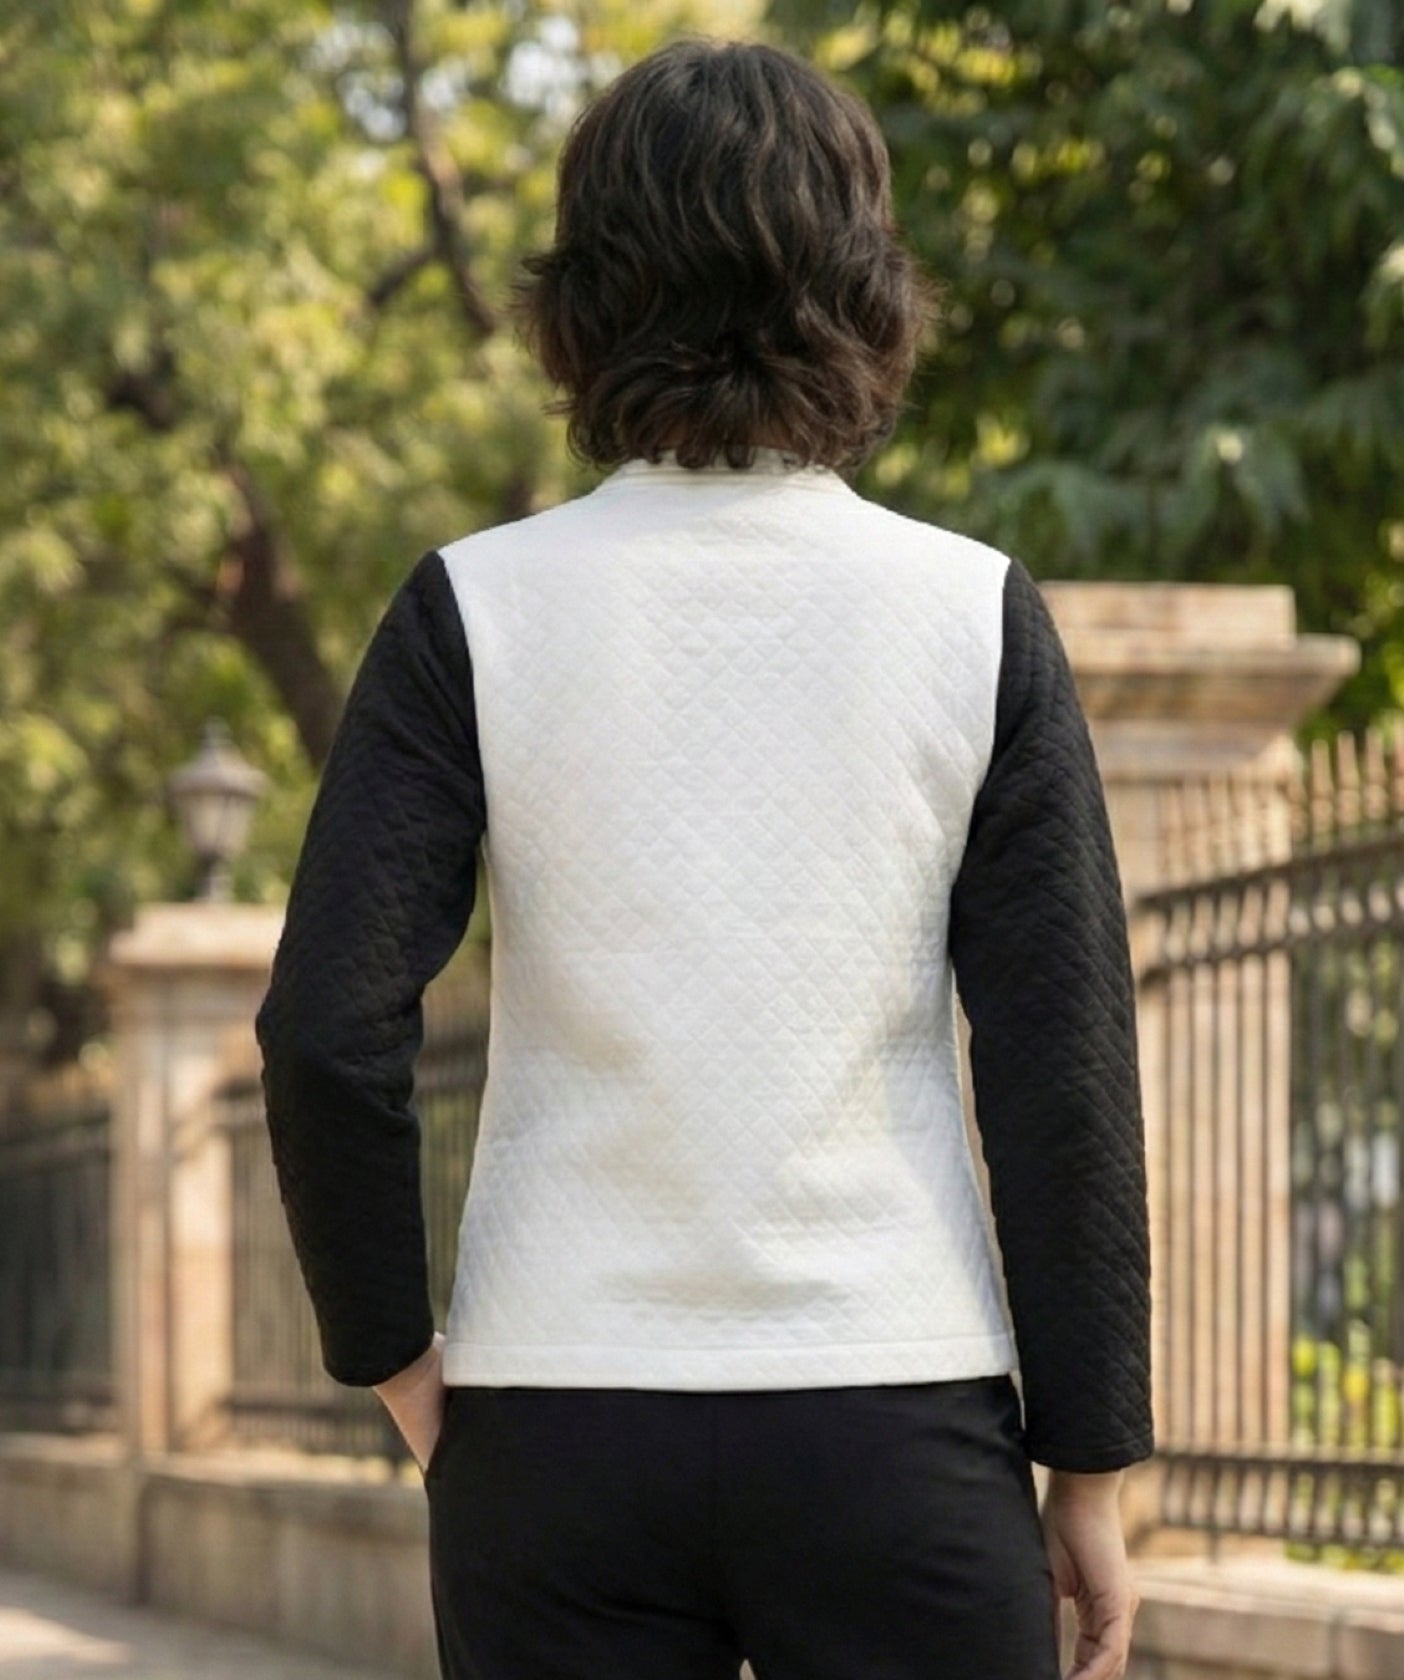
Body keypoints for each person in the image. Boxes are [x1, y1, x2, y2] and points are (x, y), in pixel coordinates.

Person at [254, 33, 1153, 1680]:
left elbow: (325, 1030)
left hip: (555, 1419)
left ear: (583, 296)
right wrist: (1089, 1462)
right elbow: (1063, 1068)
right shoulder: (974, 614)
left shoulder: (470, 607)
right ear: (865, 288)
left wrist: (399, 1367)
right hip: (895, 1410)